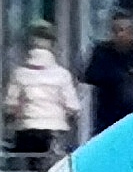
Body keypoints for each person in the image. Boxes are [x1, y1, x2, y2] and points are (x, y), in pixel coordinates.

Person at [5, 21, 82, 159]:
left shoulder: (19, 73)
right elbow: (73, 107)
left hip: (26, 129)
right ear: (52, 45)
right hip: (55, 131)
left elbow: (10, 106)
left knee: (27, 167)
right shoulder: (62, 74)